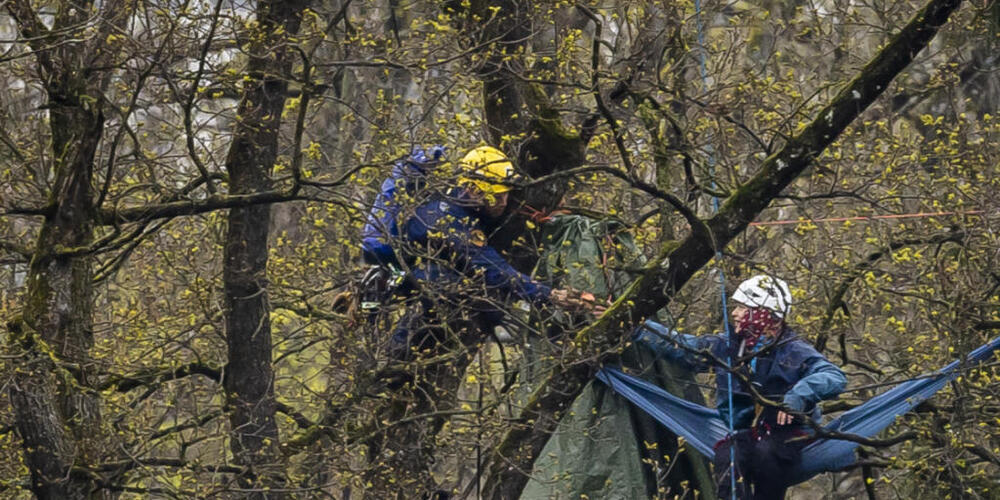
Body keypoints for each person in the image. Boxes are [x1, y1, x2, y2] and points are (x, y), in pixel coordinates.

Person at [633, 275, 847, 500]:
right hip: (746, 434)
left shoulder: (793, 351)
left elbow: (833, 376)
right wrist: (638, 328)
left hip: (788, 437)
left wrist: (797, 396)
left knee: (766, 454)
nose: (734, 313)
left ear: (765, 315)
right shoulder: (729, 347)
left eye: (742, 308)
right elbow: (684, 347)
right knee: (727, 456)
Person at [377, 145, 601, 359]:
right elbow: (492, 269)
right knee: (446, 284)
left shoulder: (459, 200)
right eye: (498, 196)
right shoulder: (449, 224)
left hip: (410, 272)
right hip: (403, 278)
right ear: (473, 190)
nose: (504, 202)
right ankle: (397, 354)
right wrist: (549, 295)